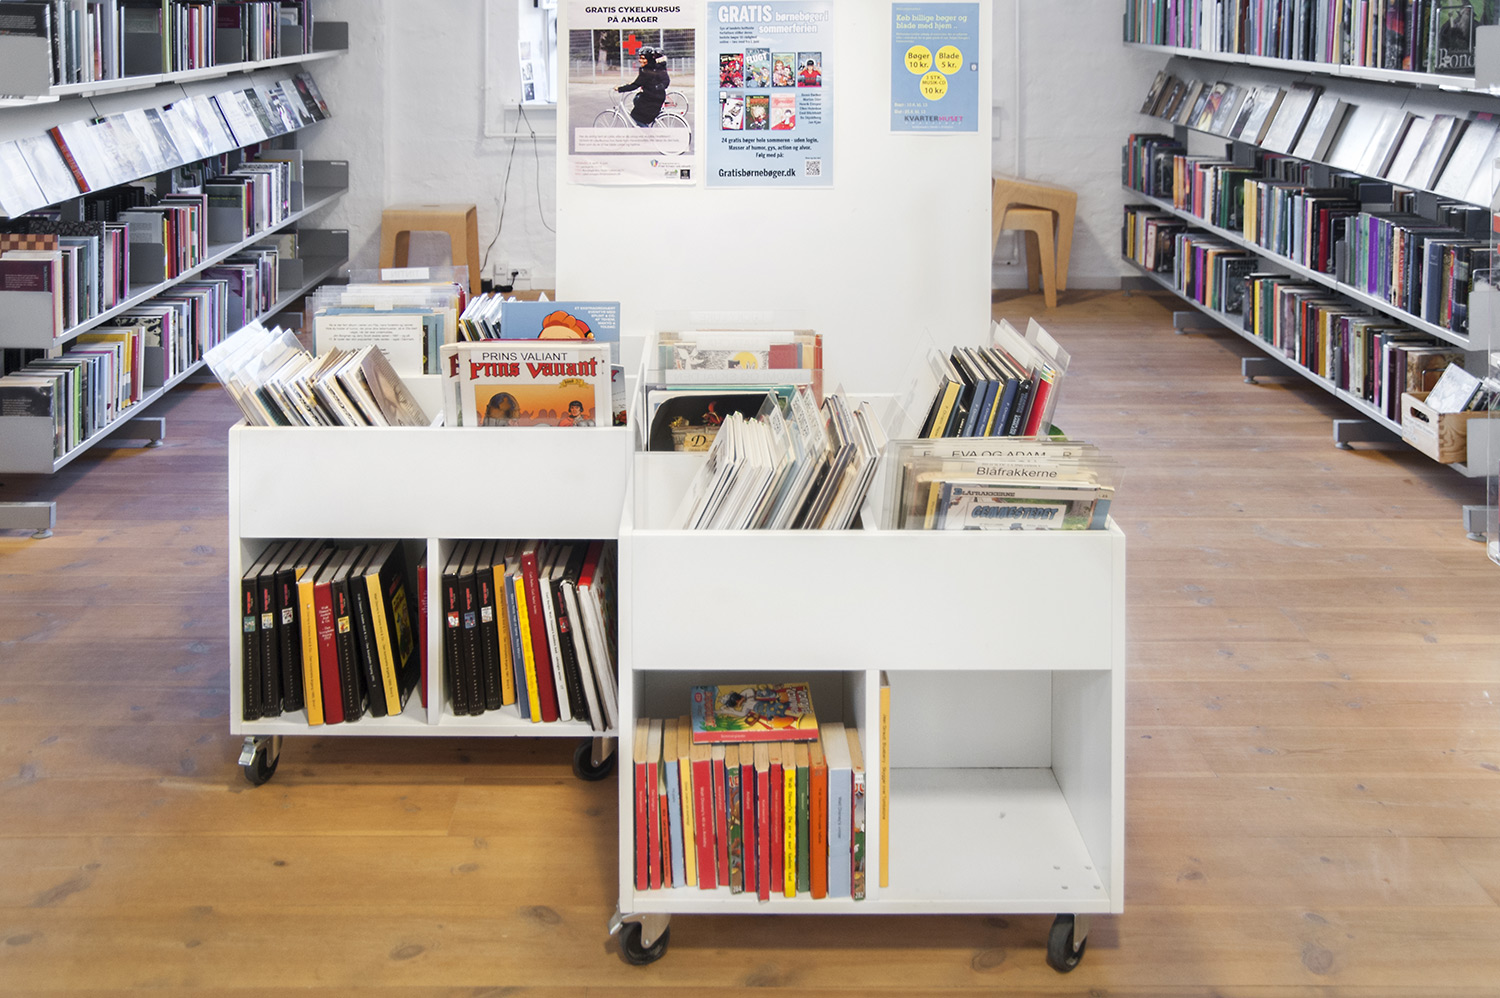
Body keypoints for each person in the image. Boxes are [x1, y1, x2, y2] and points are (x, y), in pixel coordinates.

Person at [616, 45, 669, 126]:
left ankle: (646, 132)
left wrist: (620, 89)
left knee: (636, 116)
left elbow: (635, 85)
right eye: (640, 58)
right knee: (636, 99)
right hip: (657, 97)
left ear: (649, 59)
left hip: (652, 99)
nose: (640, 60)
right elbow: (642, 82)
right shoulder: (655, 67)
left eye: (643, 58)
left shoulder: (646, 70)